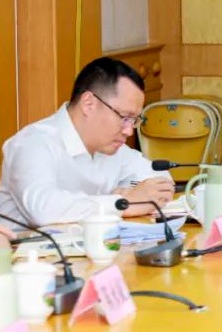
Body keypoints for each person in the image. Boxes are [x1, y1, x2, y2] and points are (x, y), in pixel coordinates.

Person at [0, 57, 175, 227]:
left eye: (134, 120)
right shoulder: (33, 143)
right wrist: (122, 203)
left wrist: (129, 192)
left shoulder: (111, 147)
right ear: (89, 104)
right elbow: (43, 209)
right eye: (124, 118)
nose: (129, 131)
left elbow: (161, 179)